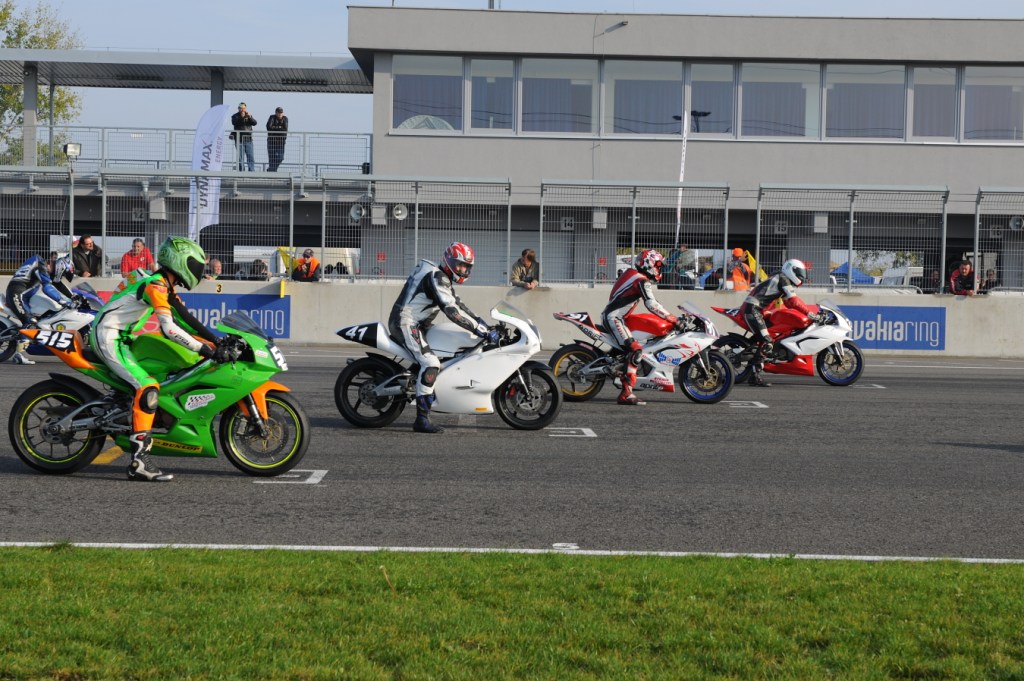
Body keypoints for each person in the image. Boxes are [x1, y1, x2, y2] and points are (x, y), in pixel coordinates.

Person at [90, 236, 231, 482]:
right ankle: (138, 463)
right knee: (147, 387)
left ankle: (122, 404)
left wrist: (217, 341)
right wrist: (205, 350)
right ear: (180, 261)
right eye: (195, 265)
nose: (198, 271)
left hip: (123, 337)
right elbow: (169, 328)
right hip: (110, 337)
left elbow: (184, 318)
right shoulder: (156, 286)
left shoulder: (162, 284)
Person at [389, 242, 497, 433]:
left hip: (419, 324)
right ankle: (422, 419)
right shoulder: (436, 277)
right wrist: (483, 331)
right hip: (406, 323)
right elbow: (452, 311)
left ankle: (419, 382)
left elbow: (458, 304)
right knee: (431, 363)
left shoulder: (441, 277)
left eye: (466, 266)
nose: (463, 270)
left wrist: (484, 325)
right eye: (460, 265)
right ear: (448, 261)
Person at [602, 249, 683, 406]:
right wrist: (672, 319)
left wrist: (667, 315)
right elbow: (651, 304)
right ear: (649, 264)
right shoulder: (641, 280)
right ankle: (626, 393)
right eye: (658, 266)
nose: (659, 269)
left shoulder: (633, 274)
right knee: (636, 351)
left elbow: (653, 301)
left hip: (616, 317)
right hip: (615, 318)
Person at [739, 258, 819, 387]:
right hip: (753, 310)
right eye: (800, 273)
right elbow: (794, 301)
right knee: (767, 341)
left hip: (758, 310)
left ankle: (762, 358)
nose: (802, 277)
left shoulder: (781, 280)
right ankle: (754, 376)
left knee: (771, 336)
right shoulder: (783, 279)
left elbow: (789, 302)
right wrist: (810, 313)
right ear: (791, 270)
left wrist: (804, 313)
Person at [5, 253, 76, 365]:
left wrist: (73, 297)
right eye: (63, 274)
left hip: (24, 296)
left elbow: (57, 284)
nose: (62, 276)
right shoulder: (40, 264)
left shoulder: (43, 267)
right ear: (61, 268)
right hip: (17, 294)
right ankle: (19, 355)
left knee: (41, 317)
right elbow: (47, 288)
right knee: (30, 322)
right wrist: (64, 301)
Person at [231, 102, 257, 172]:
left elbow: (254, 123)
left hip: (248, 139)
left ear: (246, 108)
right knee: (240, 157)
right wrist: (242, 117)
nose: (242, 110)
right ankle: (241, 171)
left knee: (250, 156)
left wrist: (250, 117)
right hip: (239, 140)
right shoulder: (235, 116)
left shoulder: (249, 116)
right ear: (238, 109)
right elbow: (235, 123)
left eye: (243, 108)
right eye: (241, 108)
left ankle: (251, 171)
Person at [266, 106, 289, 172]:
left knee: (280, 157)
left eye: (281, 113)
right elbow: (268, 127)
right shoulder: (272, 117)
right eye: (278, 112)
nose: (280, 114)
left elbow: (285, 129)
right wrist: (279, 127)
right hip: (271, 141)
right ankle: (272, 172)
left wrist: (275, 128)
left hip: (281, 141)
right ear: (276, 113)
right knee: (271, 158)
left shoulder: (285, 118)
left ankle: (271, 169)